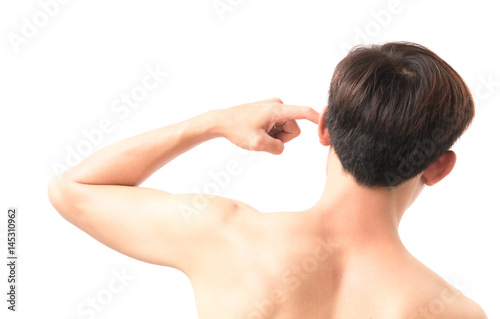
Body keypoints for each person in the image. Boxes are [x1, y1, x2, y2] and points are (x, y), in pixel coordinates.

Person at [48, 41, 487, 318]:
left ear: (324, 129)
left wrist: (212, 123)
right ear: (439, 167)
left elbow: (72, 189)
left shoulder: (224, 235)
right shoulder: (454, 313)